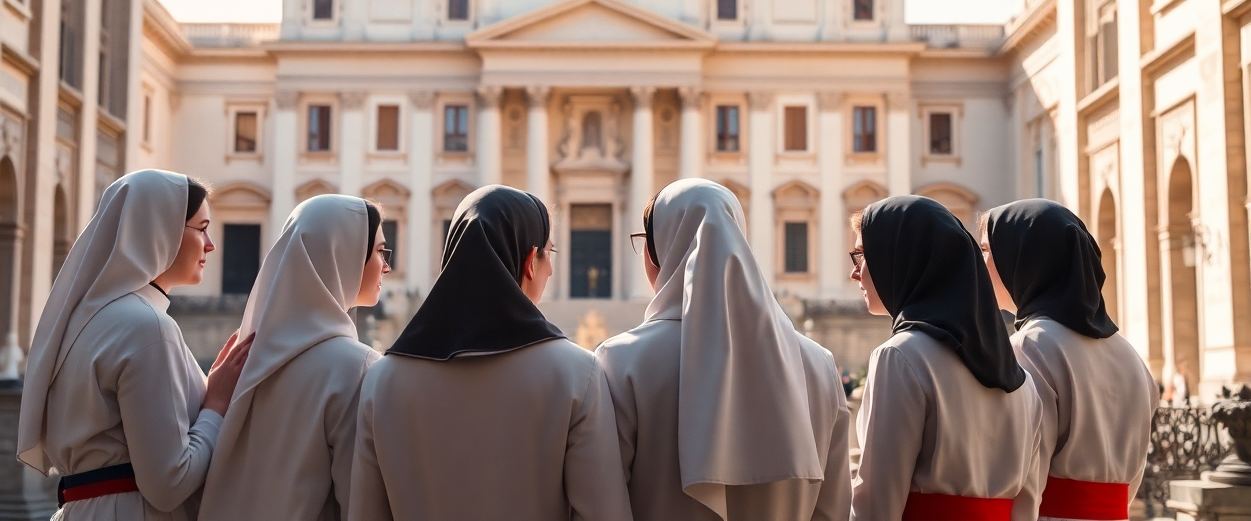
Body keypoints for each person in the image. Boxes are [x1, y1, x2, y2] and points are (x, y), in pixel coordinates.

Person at [349, 185, 633, 521]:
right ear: (530, 262)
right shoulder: (577, 375)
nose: (552, 271)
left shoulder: (381, 382)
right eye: (550, 254)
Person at [596, 179, 851, 521]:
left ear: (659, 250)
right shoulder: (819, 364)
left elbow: (604, 505)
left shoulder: (620, 360)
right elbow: (833, 510)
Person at [18, 169, 253, 520]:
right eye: (201, 228)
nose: (210, 244)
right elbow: (169, 483)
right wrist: (216, 404)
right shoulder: (147, 327)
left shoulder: (87, 320)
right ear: (160, 229)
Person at [850, 195, 1043, 521]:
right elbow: (1027, 506)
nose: (855, 273)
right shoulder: (1020, 376)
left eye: (862, 255)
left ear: (900, 257)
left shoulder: (899, 357)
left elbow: (875, 505)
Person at [198, 195, 389, 521]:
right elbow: (361, 502)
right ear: (345, 254)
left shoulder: (251, 357)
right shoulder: (357, 367)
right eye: (380, 252)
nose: (386, 266)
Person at [982, 199, 1159, 521]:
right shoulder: (1129, 354)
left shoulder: (1031, 345)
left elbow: (1024, 469)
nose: (978, 264)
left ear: (1022, 256)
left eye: (985, 250)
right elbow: (1132, 480)